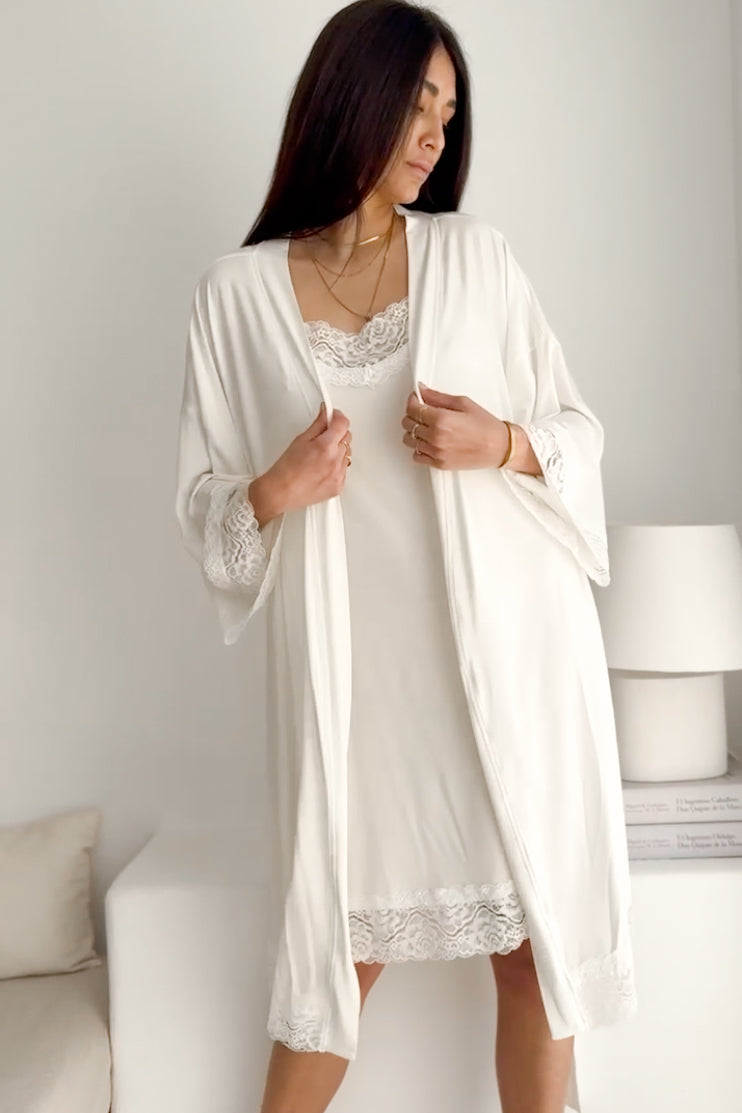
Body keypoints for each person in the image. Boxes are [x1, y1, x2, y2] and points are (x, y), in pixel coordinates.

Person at [174, 3, 638, 1112]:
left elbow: (576, 429)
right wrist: (276, 487)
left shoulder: (477, 259)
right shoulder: (235, 295)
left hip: (503, 674)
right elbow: (203, 506)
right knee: (338, 961)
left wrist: (503, 442)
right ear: (353, 97)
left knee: (530, 953)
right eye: (417, 102)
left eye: (448, 110)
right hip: (358, 696)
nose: (435, 132)